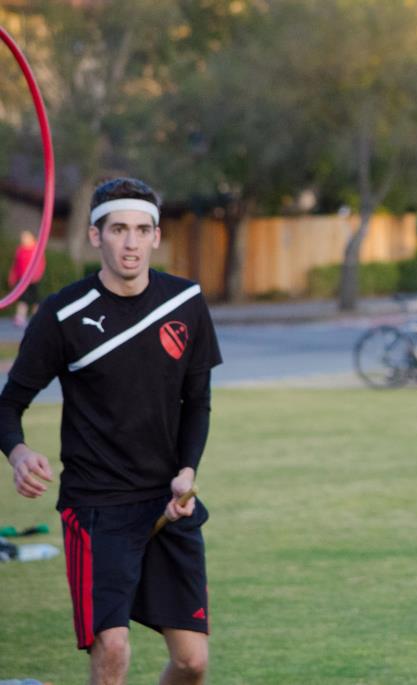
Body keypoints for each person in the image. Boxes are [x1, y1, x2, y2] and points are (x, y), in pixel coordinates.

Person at [1, 177, 222, 685]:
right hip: (96, 506)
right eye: (118, 229)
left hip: (167, 504)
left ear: (156, 237)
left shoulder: (185, 301)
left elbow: (199, 402)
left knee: (192, 662)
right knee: (113, 650)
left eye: (141, 230)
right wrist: (17, 454)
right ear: (96, 235)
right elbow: (8, 404)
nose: (131, 242)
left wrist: (187, 470)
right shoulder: (62, 314)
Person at [7, 229, 46, 326]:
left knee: (35, 298)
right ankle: (20, 317)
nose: (23, 239)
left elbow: (41, 263)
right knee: (22, 298)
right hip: (22, 278)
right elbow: (15, 265)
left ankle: (37, 317)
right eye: (22, 237)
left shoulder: (35, 249)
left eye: (26, 237)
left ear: (31, 238)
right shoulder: (20, 250)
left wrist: (37, 275)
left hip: (33, 279)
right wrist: (12, 276)